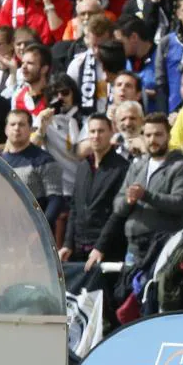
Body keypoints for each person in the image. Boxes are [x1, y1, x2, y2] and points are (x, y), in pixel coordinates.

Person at [89, 114, 183, 269]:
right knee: (130, 291)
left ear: (168, 136)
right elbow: (118, 204)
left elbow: (180, 202)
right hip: (134, 246)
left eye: (158, 135)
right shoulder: (137, 166)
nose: (152, 140)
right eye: (148, 135)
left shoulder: (180, 167)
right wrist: (128, 200)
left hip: (163, 245)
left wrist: (146, 195)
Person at [60, 113, 129, 265]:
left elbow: (118, 213)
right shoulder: (83, 167)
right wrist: (67, 244)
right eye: (92, 131)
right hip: (78, 250)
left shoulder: (122, 168)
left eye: (101, 131)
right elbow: (74, 209)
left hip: (108, 252)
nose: (96, 136)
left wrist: (100, 247)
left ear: (111, 132)